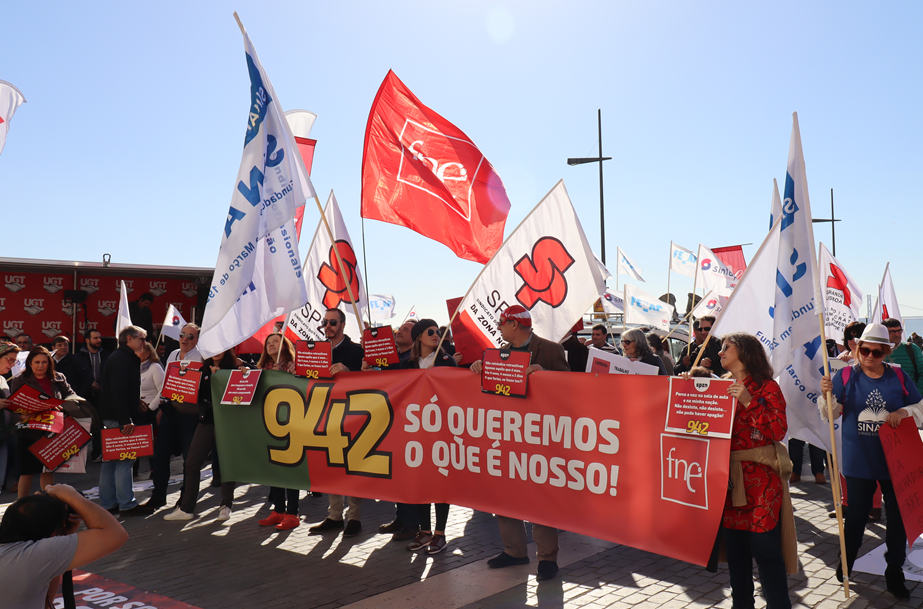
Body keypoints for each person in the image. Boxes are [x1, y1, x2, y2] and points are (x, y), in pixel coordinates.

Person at [819, 323, 923, 600]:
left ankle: (895, 573)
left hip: (895, 463)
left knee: (898, 521)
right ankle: (846, 563)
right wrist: (827, 397)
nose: (869, 356)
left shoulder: (899, 377)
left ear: (886, 352)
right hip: (858, 462)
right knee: (854, 519)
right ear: (856, 348)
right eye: (864, 350)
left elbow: (921, 407)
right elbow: (832, 415)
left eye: (876, 352)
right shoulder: (843, 376)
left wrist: (904, 410)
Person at [470, 305, 569, 581]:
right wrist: (477, 367)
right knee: (505, 495)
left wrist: (544, 374)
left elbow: (570, 387)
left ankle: (547, 557)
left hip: (537, 436)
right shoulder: (496, 353)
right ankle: (514, 550)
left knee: (540, 498)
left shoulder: (550, 350)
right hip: (506, 434)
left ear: (515, 324)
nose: (499, 326)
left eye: (502, 322)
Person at [713, 332, 794, 609]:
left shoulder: (767, 387)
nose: (721, 352)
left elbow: (778, 430)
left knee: (765, 550)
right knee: (735, 550)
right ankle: (742, 604)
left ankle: (778, 605)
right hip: (727, 482)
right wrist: (688, 387)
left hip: (761, 482)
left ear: (745, 353)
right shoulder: (719, 387)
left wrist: (749, 401)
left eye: (727, 348)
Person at [0, 483, 128, 609]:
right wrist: (72, 496)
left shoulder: (16, 554)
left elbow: (43, 594)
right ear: (51, 536)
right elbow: (116, 534)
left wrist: (59, 535)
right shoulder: (30, 558)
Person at [164, 349, 241, 522]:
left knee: (226, 465)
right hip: (206, 421)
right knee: (191, 463)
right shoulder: (202, 370)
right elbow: (195, 395)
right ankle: (186, 508)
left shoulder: (234, 369)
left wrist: (224, 377)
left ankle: (226, 506)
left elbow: (240, 392)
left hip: (226, 423)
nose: (216, 351)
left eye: (219, 347)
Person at [400, 319, 456, 555]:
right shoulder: (408, 363)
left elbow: (456, 390)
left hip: (441, 429)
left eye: (437, 331)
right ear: (419, 337)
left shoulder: (446, 360)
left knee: (440, 482)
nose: (436, 334)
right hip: (415, 430)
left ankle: (440, 534)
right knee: (421, 482)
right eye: (430, 331)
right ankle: (424, 532)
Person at [310, 308, 366, 537]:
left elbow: (369, 381)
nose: (328, 325)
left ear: (343, 324)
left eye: (332, 321)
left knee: (352, 468)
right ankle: (334, 516)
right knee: (331, 466)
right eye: (325, 322)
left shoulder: (356, 350)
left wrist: (348, 371)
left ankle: (354, 517)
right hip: (324, 415)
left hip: (350, 416)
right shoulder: (315, 350)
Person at [139, 323, 202, 513]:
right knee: (160, 455)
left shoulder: (202, 356)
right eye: (182, 335)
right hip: (170, 410)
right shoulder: (173, 354)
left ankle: (185, 497)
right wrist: (160, 409)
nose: (184, 339)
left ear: (197, 340)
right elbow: (168, 382)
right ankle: (158, 496)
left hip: (190, 413)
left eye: (190, 336)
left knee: (188, 459)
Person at [9, 346, 80, 497]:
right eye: (37, 362)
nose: (41, 366)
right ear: (30, 363)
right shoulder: (19, 380)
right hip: (28, 432)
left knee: (48, 468)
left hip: (50, 430)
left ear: (49, 363)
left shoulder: (58, 377)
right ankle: (21, 504)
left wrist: (65, 405)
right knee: (26, 471)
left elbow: (72, 397)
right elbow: (12, 407)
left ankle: (49, 501)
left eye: (44, 362)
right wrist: (22, 415)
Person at [97, 326, 148, 517]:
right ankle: (127, 504)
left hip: (113, 415)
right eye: (142, 339)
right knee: (125, 461)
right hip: (118, 418)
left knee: (110, 462)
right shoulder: (122, 358)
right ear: (129, 339)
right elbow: (118, 391)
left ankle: (109, 504)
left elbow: (120, 389)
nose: (144, 342)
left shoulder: (120, 357)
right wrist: (125, 418)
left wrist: (136, 403)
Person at [256, 333, 303, 531]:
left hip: (292, 423)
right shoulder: (261, 369)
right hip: (268, 424)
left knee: (290, 469)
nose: (271, 344)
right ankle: (278, 510)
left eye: (276, 341)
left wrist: (289, 373)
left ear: (285, 346)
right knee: (274, 469)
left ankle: (293, 513)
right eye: (268, 342)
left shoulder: (294, 366)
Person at [882, 317, 923, 395]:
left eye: (899, 331)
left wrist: (917, 395)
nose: (897, 334)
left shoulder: (912, 348)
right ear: (884, 332)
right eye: (892, 332)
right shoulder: (875, 351)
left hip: (910, 401)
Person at [0, 342, 21, 493]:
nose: (12, 364)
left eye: (15, 361)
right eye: (10, 360)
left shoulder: (2, 379)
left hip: (3, 436)